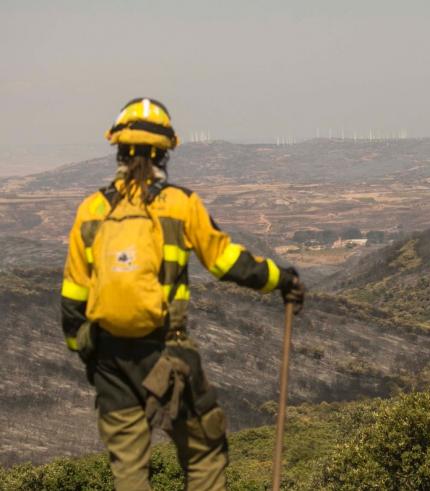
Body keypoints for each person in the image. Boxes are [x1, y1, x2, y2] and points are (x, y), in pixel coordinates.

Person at [59, 98, 305, 490]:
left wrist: (89, 353)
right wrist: (281, 278)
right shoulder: (179, 204)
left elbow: (73, 298)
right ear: (164, 152)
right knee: (205, 452)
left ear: (119, 149)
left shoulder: (91, 211)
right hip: (168, 353)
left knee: (129, 470)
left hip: (110, 359)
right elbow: (226, 263)